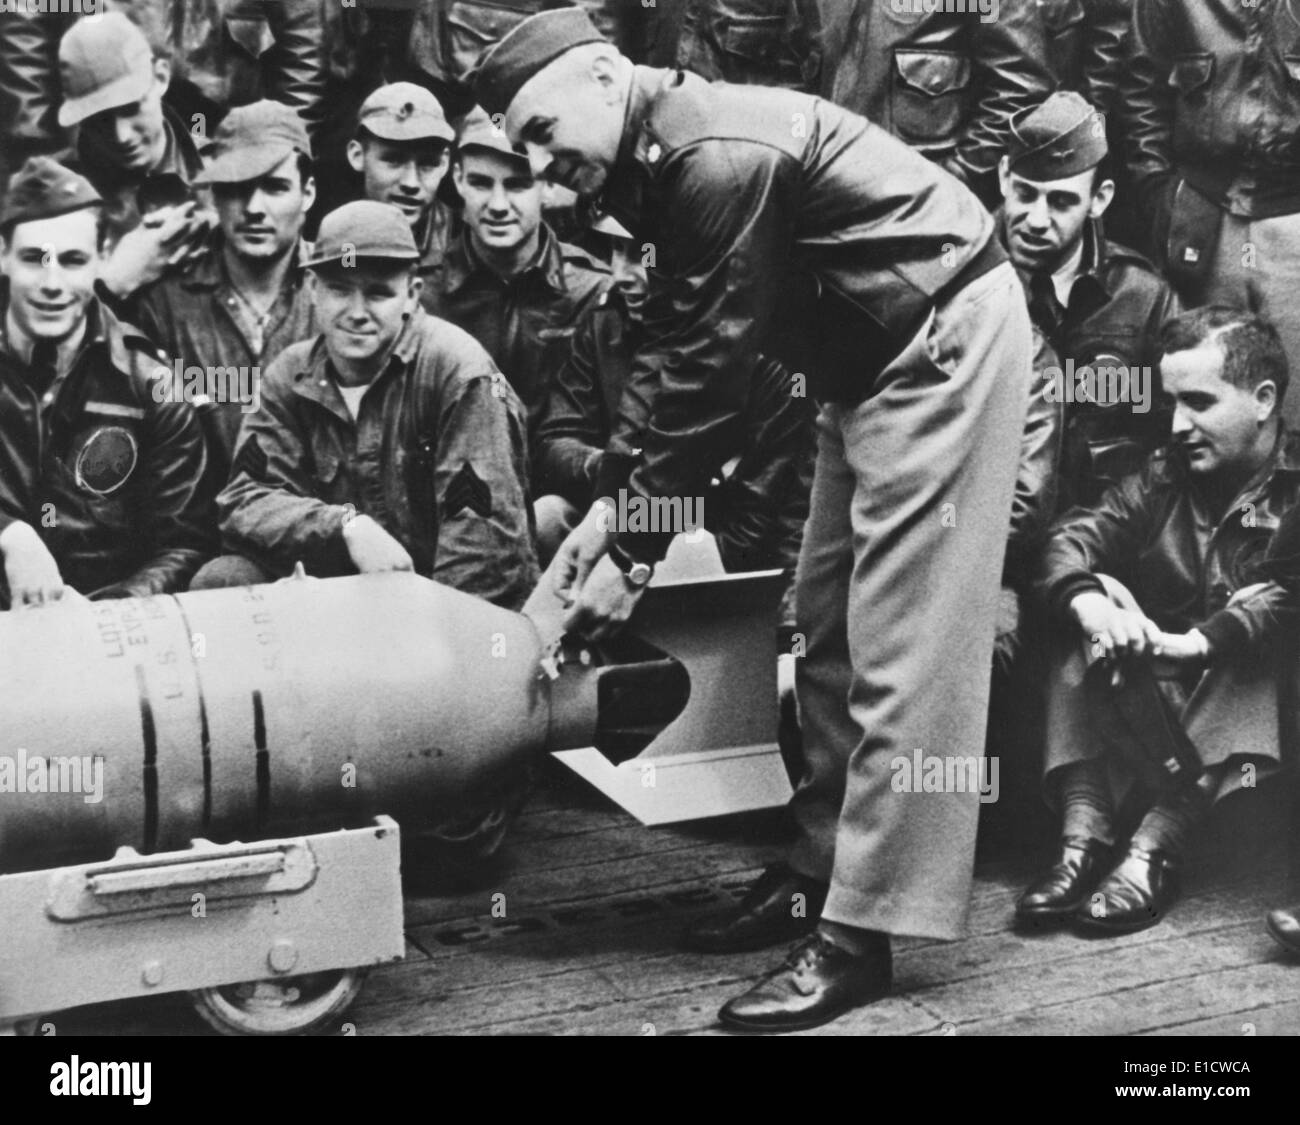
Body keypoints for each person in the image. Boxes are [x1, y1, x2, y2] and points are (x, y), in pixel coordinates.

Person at [472, 8, 1033, 1031]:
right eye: (520, 148)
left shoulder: (710, 154)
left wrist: (631, 553)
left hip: (939, 339)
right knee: (823, 622)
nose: (540, 168)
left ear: (603, 78)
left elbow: (709, 379)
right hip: (859, 358)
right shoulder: (653, 157)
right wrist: (619, 514)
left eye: (543, 132)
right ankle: (818, 869)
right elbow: (681, 355)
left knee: (903, 649)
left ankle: (860, 937)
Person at [1020, 307, 1300, 934]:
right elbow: (1069, 541)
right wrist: (1091, 603)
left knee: (1263, 619)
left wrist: (1199, 642)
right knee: (1089, 595)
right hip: (1153, 712)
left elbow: (1285, 600)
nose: (1177, 425)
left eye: (1199, 402)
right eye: (1171, 403)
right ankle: (1085, 836)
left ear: (1263, 400)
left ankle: (1153, 850)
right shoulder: (1162, 474)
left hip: (1251, 731)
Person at [193, 200, 538, 613]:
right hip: (339, 601)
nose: (357, 313)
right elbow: (245, 500)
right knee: (224, 580)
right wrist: (346, 526)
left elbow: (485, 551)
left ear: (411, 295)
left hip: (437, 607)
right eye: (339, 290)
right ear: (312, 291)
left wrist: (426, 640)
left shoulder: (458, 374)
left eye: (378, 294)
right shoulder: (290, 376)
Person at [0, 157, 215, 608]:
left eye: (73, 260)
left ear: (101, 259)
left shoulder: (150, 386)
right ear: (3, 256)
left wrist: (106, 612)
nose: (52, 284)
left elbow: (185, 546)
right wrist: (11, 534)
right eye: (34, 260)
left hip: (103, 631)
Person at [998, 90, 1179, 511]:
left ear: (1100, 199)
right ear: (1004, 177)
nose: (1037, 220)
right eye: (1025, 193)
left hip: (1099, 532)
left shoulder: (1144, 298)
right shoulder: (961, 281)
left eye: (1061, 201)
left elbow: (1172, 439)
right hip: (986, 525)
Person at [1122, 0, 1300, 427]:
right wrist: (1161, 198)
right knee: (1206, 395)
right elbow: (1139, 95)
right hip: (1204, 219)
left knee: (1292, 408)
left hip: (1293, 220)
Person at [131, 100, 318, 484]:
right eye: (237, 189)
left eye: (275, 188)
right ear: (214, 195)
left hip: (315, 528)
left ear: (308, 194)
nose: (253, 208)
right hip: (195, 532)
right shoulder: (164, 301)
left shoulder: (335, 292)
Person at [424, 106, 610, 438]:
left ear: (549, 187)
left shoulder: (592, 292)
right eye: (481, 183)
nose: (497, 205)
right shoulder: (423, 293)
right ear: (457, 180)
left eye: (517, 185)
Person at [812, 0, 1052, 208]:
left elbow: (1020, 87)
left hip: (926, 212)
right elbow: (792, 57)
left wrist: (957, 179)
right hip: (824, 195)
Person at [57, 12, 212, 302]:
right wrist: (112, 283)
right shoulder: (59, 201)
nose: (122, 136)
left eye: (130, 108)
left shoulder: (223, 172)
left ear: (161, 77)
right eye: (100, 119)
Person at [348, 82, 458, 298]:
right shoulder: (344, 241)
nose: (411, 183)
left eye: (427, 164)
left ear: (444, 163)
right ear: (357, 155)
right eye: (393, 160)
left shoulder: (465, 247)